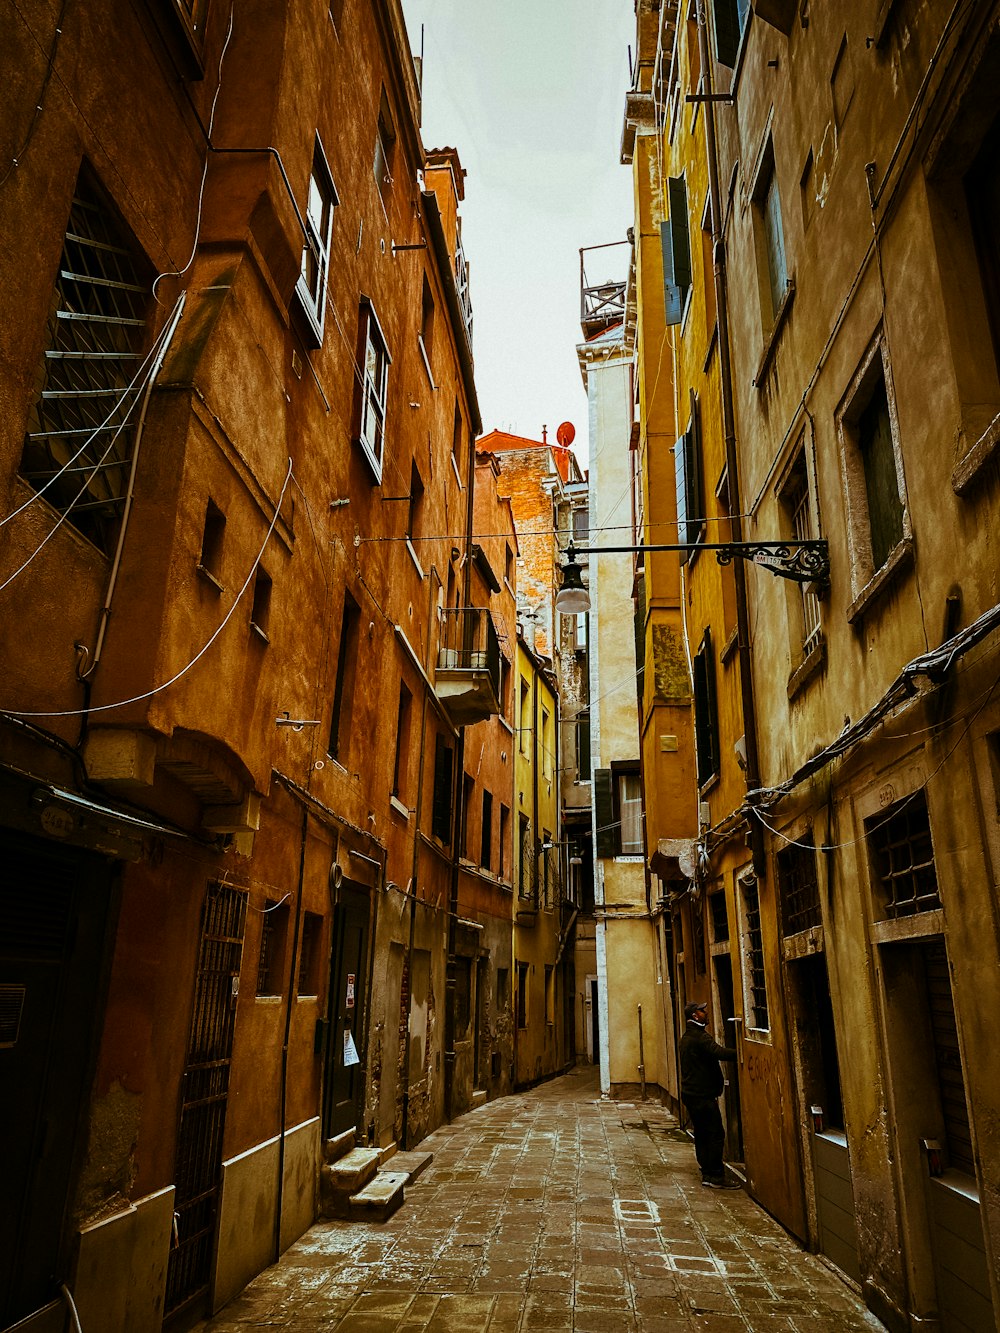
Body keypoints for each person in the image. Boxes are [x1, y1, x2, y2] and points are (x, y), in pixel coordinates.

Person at [679, 999, 740, 1189]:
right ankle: (716, 1176)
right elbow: (718, 1052)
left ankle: (706, 1171)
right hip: (702, 1095)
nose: (706, 1013)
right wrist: (741, 1052)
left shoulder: (686, 1038)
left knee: (702, 1134)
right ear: (695, 1016)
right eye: (703, 1011)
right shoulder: (700, 1037)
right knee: (715, 1134)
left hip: (690, 1093)